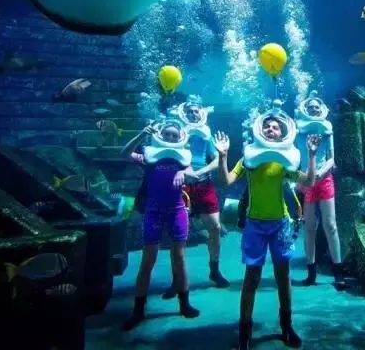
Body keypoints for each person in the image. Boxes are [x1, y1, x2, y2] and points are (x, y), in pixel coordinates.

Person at [215, 117, 320, 350]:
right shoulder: (249, 158)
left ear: (282, 134)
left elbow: (309, 182)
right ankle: (244, 331)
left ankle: (286, 326)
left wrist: (311, 155)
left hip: (281, 224)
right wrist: (223, 156)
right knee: (251, 277)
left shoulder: (284, 159)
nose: (271, 129)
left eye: (276, 127)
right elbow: (226, 180)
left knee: (283, 276)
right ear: (259, 130)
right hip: (254, 225)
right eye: (267, 126)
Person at [120, 121, 200, 331]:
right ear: (160, 136)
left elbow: (193, 173)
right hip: (153, 212)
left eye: (175, 135)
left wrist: (183, 172)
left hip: (177, 211)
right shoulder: (150, 157)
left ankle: (184, 304)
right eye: (167, 134)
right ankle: (138, 311)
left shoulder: (183, 158)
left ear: (180, 138)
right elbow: (124, 154)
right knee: (148, 261)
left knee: (179, 258)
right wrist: (141, 135)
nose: (171, 138)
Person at [162, 102, 229, 298]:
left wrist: (199, 172)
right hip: (181, 186)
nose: (193, 114)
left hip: (204, 184)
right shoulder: (176, 132)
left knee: (215, 227)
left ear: (202, 114)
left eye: (196, 111)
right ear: (183, 114)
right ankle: (176, 279)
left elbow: (216, 159)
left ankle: (215, 270)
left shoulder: (206, 134)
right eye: (189, 112)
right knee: (178, 233)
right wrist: (183, 171)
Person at [294, 96, 346, 289]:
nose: (314, 110)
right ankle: (311, 273)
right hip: (305, 181)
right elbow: (294, 157)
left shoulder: (327, 128)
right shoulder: (298, 130)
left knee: (330, 226)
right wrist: (302, 178)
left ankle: (338, 273)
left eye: (317, 107)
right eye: (311, 107)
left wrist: (319, 173)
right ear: (305, 110)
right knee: (309, 227)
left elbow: (331, 158)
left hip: (324, 180)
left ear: (322, 109)